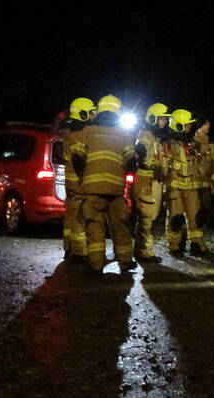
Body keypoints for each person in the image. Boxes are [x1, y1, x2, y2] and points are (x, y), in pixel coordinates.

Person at [72, 94, 137, 274]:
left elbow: (77, 157)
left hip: (92, 188)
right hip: (115, 189)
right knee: (120, 226)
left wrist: (83, 177)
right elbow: (131, 161)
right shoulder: (124, 134)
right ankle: (125, 261)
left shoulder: (87, 131)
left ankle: (96, 264)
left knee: (95, 225)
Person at [132, 103, 170, 264]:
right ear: (154, 118)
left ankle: (141, 249)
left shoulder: (157, 137)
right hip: (146, 180)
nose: (165, 122)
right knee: (146, 217)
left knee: (150, 217)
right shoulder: (145, 135)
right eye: (162, 119)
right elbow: (145, 159)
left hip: (155, 180)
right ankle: (145, 252)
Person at [164, 109, 203, 258]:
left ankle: (197, 245)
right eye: (187, 125)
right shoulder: (169, 143)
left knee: (195, 217)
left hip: (191, 188)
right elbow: (164, 165)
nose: (190, 127)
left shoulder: (190, 143)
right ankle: (175, 246)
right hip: (175, 188)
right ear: (179, 125)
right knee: (176, 218)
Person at [62, 97, 96, 263]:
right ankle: (79, 252)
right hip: (79, 181)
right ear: (83, 114)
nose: (94, 115)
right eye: (91, 113)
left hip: (72, 181)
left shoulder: (70, 133)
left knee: (71, 215)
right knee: (79, 216)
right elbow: (80, 160)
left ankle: (69, 248)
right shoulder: (79, 135)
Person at [191, 118, 214, 257]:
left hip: (206, 185)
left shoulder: (212, 143)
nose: (208, 126)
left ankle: (198, 243)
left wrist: (213, 182)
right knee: (192, 214)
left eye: (209, 124)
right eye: (206, 124)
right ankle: (192, 244)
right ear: (200, 125)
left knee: (203, 214)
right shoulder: (190, 139)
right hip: (191, 184)